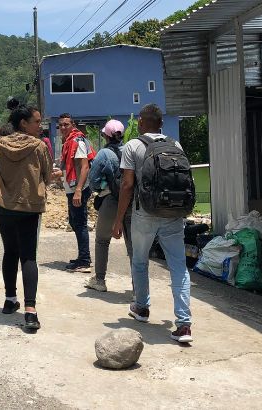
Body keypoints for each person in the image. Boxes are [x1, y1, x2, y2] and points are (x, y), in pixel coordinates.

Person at [112, 104, 193, 343]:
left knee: (139, 260)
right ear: (161, 123)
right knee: (178, 267)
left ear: (139, 122)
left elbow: (127, 185)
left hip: (144, 214)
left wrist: (118, 219)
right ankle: (184, 324)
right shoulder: (175, 145)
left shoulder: (133, 146)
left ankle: (141, 307)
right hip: (174, 214)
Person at [0, 105, 52, 331]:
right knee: (28, 256)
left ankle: (10, 301)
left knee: (10, 252)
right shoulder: (38, 146)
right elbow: (47, 176)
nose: (39, 126)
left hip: (4, 208)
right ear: (23, 123)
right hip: (29, 208)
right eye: (36, 122)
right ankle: (30, 312)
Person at [85, 119, 133, 292]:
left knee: (102, 240)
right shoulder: (131, 149)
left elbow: (94, 181)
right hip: (132, 201)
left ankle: (99, 280)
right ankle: (138, 288)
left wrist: (104, 187)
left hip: (111, 200)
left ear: (105, 135)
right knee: (132, 246)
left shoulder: (104, 154)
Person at [53, 113, 95, 273]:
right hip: (73, 188)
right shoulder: (69, 142)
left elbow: (84, 167)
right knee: (75, 222)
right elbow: (72, 167)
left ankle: (84, 261)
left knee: (80, 224)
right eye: (60, 125)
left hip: (79, 189)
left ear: (73, 125)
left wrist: (78, 190)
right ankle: (82, 257)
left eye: (66, 124)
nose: (63, 128)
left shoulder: (77, 141)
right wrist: (58, 174)